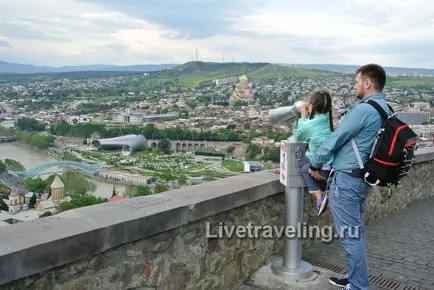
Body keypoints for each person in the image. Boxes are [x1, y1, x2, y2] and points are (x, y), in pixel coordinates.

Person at [308, 64, 391, 290]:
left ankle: (358, 286)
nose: (354, 86)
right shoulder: (386, 108)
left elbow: (337, 138)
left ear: (367, 82)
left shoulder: (364, 110)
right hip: (363, 179)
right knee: (356, 234)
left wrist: (315, 162)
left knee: (351, 236)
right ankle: (356, 280)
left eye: (356, 81)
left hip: (348, 181)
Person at [295, 90, 334, 216]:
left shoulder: (310, 124)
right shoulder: (326, 118)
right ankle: (324, 189)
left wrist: (303, 115)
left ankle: (320, 196)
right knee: (306, 157)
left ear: (313, 106)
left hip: (323, 168)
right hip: (330, 162)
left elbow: (299, 136)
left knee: (304, 169)